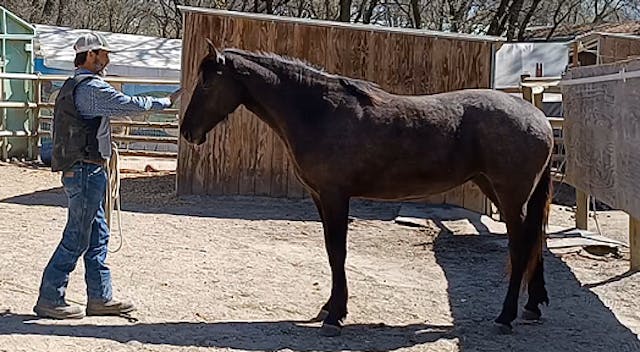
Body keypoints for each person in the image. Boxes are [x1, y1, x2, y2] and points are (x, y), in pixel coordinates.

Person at [34, 32, 181, 319]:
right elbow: (128, 105)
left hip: (84, 169)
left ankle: (100, 297)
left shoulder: (74, 85)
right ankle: (51, 297)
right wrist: (164, 102)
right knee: (78, 235)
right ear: (90, 55)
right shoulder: (90, 89)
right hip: (87, 170)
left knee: (97, 234)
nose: (108, 59)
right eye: (104, 53)